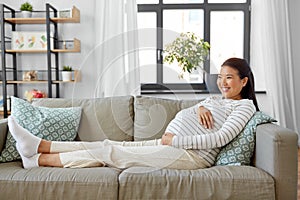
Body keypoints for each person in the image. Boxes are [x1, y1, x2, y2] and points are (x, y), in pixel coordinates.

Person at [8, 57, 259, 170]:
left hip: (189, 156)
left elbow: (220, 138)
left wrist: (176, 140)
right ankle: (41, 145)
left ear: (244, 82)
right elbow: (195, 110)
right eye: (221, 77)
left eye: (229, 78)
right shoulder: (217, 99)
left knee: (112, 153)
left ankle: (37, 160)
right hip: (172, 145)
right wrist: (201, 106)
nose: (223, 82)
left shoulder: (244, 107)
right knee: (106, 143)